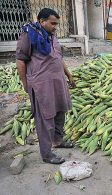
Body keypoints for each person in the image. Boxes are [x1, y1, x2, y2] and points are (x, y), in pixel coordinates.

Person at [16, 8, 75, 164]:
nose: (55, 26)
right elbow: (21, 60)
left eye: (57, 23)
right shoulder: (29, 35)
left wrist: (68, 74)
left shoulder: (52, 36)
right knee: (45, 118)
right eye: (53, 23)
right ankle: (47, 154)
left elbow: (58, 57)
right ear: (42, 21)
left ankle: (58, 140)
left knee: (60, 112)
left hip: (57, 82)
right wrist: (25, 83)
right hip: (42, 84)